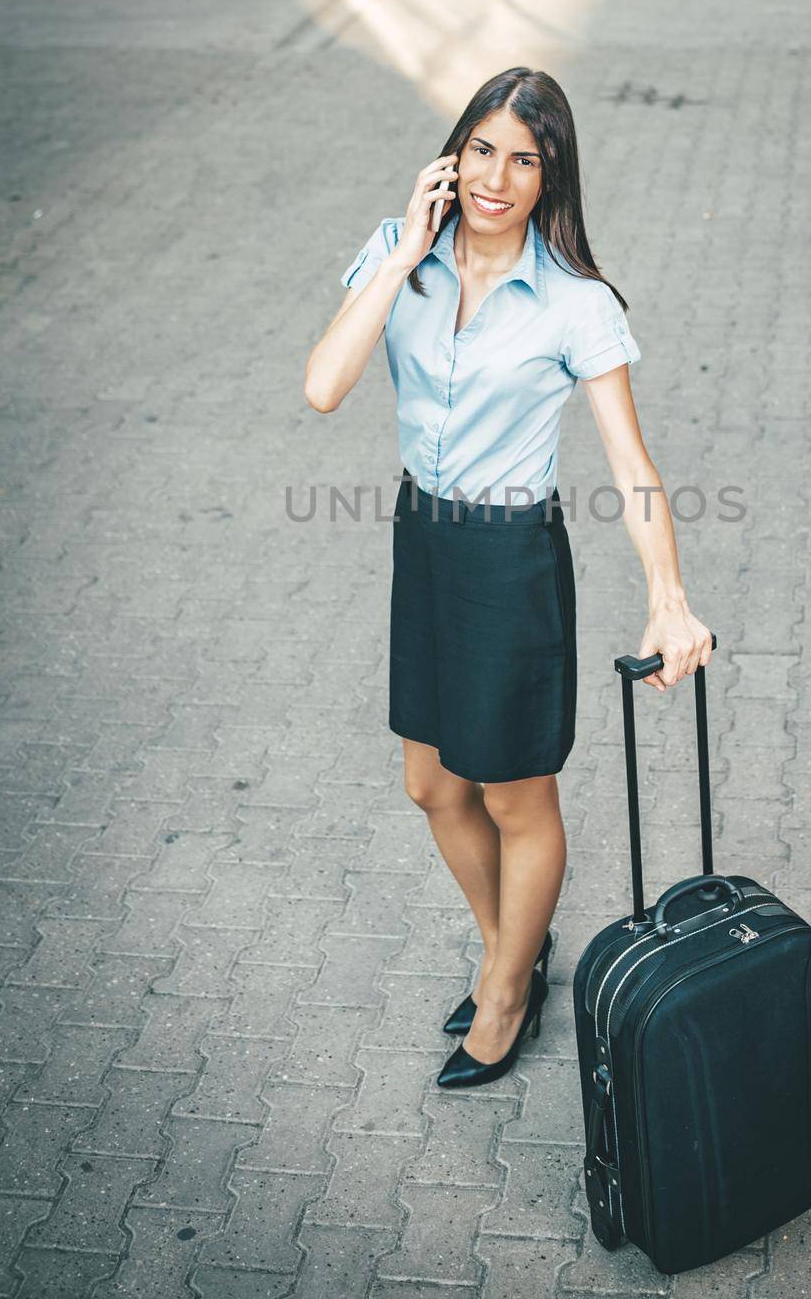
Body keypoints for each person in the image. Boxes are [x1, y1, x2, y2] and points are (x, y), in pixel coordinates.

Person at [303, 66, 712, 1090]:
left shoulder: (572, 304)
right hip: (424, 541)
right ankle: (509, 950)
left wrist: (668, 597)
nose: (496, 176)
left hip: (511, 557)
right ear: (453, 154)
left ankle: (502, 996)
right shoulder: (407, 259)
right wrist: (403, 252)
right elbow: (322, 386)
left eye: (522, 159)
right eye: (481, 148)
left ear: (548, 177)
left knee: (513, 793)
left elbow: (630, 463)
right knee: (432, 781)